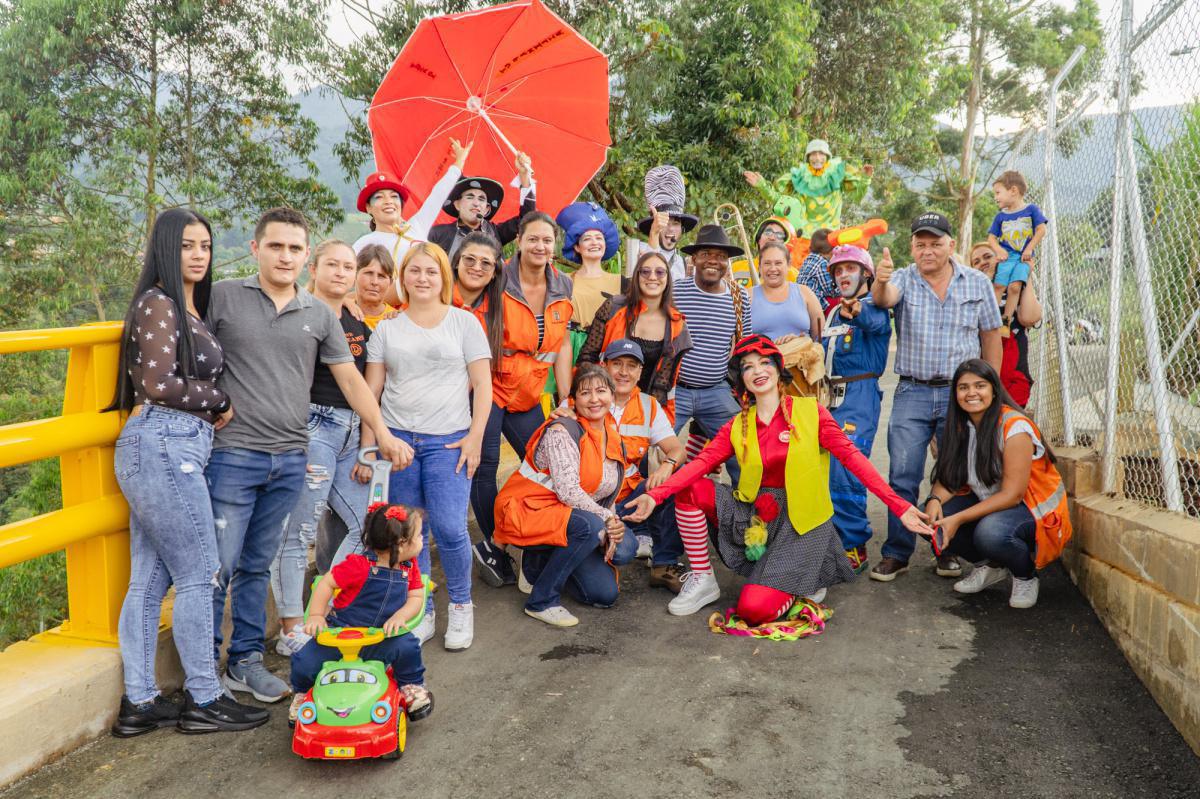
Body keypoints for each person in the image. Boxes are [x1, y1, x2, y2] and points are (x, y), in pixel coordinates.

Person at [206, 207, 410, 704]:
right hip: (234, 453)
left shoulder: (319, 314)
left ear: (304, 257)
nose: (285, 256)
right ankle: (204, 670)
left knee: (257, 561)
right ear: (255, 248)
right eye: (276, 246)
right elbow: (192, 352)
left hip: (291, 451)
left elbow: (349, 378)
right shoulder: (223, 297)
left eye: (294, 248)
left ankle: (246, 662)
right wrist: (208, 403)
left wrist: (380, 432)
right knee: (219, 565)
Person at [623, 335, 932, 618]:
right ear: (741, 379)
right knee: (691, 488)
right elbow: (699, 463)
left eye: (764, 362)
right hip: (756, 514)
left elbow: (854, 461)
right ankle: (704, 580)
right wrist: (654, 495)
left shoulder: (812, 413)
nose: (757, 370)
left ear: (777, 369)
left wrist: (900, 507)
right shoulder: (737, 425)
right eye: (747, 367)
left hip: (801, 522)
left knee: (752, 609)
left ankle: (798, 578)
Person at [108, 209, 268, 736]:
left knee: (150, 579)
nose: (199, 254)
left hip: (166, 445)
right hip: (165, 442)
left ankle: (140, 702)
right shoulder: (159, 303)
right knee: (201, 571)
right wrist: (219, 397)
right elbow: (156, 381)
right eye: (186, 246)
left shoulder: (183, 307)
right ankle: (204, 695)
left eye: (204, 246)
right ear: (164, 250)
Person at [357, 242, 492, 651]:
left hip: (449, 441)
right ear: (404, 277)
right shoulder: (387, 329)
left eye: (430, 272)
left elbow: (483, 386)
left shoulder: (464, 323)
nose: (422, 278)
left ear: (442, 278)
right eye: (414, 271)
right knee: (410, 533)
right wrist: (370, 450)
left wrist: (475, 439)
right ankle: (422, 608)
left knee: (451, 528)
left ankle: (462, 606)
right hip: (398, 443)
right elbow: (372, 392)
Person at [869, 211, 1003, 583]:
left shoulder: (976, 283)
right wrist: (879, 282)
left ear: (950, 245)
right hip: (912, 389)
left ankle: (948, 550)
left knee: (955, 474)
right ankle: (897, 552)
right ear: (912, 247)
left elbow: (992, 336)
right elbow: (883, 299)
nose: (927, 251)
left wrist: (991, 391)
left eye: (935, 243)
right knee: (903, 474)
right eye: (920, 244)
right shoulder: (902, 279)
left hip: (960, 395)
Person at [268, 240, 372, 658]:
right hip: (313, 425)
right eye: (333, 264)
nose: (342, 273)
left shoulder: (354, 315)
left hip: (350, 429)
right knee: (299, 532)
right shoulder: (298, 309)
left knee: (368, 527)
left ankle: (323, 607)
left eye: (349, 267)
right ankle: (290, 626)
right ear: (314, 266)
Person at [471, 212, 575, 587]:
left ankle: (531, 537)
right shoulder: (497, 277)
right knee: (484, 468)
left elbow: (561, 344)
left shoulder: (563, 283)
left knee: (544, 464)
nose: (540, 246)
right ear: (519, 240)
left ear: (554, 245)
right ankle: (494, 546)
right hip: (490, 384)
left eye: (547, 241)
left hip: (531, 389)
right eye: (533, 239)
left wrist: (565, 397)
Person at [494, 365, 637, 627]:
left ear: (612, 394)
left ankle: (543, 560)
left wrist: (613, 521)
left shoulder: (611, 432)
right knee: (592, 526)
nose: (594, 399)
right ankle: (542, 601)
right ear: (573, 399)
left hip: (573, 518)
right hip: (529, 509)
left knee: (618, 566)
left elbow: (607, 491)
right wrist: (607, 520)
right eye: (585, 393)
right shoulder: (563, 431)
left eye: (601, 391)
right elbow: (569, 492)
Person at [925, 360, 1072, 609]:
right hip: (992, 502)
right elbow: (949, 478)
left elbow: (1012, 495)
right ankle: (990, 566)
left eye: (979, 385)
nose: (971, 393)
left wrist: (957, 519)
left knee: (990, 533)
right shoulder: (962, 424)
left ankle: (1025, 575)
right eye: (963, 387)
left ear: (994, 389)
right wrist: (933, 501)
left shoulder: (1015, 427)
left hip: (1031, 508)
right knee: (926, 519)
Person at [554, 340, 689, 592]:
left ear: (640, 373)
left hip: (628, 498)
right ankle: (581, 553)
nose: (623, 372)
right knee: (619, 561)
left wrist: (666, 466)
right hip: (589, 502)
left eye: (631, 366)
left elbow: (676, 449)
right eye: (616, 364)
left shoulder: (648, 405)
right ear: (604, 367)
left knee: (675, 475)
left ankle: (664, 564)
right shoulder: (582, 400)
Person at [289, 502, 433, 723]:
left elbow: (416, 597)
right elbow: (326, 582)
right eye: (420, 535)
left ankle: (410, 686)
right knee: (304, 661)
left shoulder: (409, 567)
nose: (423, 539)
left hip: (383, 636)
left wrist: (400, 616)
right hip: (341, 634)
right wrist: (317, 615)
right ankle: (303, 694)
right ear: (402, 543)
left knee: (408, 646)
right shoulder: (358, 565)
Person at [820, 245, 891, 575]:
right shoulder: (832, 311)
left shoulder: (874, 306)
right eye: (837, 270)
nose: (843, 274)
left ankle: (853, 544)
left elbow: (873, 323)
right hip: (827, 397)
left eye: (850, 268)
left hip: (859, 397)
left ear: (866, 273)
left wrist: (857, 312)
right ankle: (830, 538)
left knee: (846, 468)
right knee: (822, 469)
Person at [672, 224, 753, 479]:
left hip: (716, 391)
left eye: (720, 256)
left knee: (745, 452)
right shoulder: (675, 291)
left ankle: (747, 513)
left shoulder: (739, 298)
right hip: (676, 390)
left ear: (727, 263)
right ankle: (656, 512)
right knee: (650, 452)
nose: (713, 261)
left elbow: (745, 348)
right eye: (706, 253)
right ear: (694, 258)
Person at [352, 138, 471, 305]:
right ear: (368, 208)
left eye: (394, 196)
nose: (388, 201)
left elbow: (438, 195)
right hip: (389, 314)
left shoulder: (416, 227)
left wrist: (459, 162)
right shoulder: (364, 243)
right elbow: (346, 280)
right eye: (379, 197)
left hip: (431, 305)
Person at [578, 250, 692, 420]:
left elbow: (663, 382)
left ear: (668, 278)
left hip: (643, 408)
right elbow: (586, 359)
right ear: (637, 276)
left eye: (660, 272)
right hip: (602, 403)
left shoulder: (676, 324)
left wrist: (654, 421)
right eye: (645, 271)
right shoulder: (613, 308)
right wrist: (595, 397)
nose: (652, 277)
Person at [744, 139, 873, 260]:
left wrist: (865, 179)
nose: (817, 158)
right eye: (813, 154)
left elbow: (857, 196)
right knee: (797, 276)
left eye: (821, 154)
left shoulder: (836, 177)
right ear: (808, 157)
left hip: (829, 239)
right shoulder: (801, 179)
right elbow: (782, 202)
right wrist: (762, 186)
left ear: (827, 156)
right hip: (803, 240)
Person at [969, 242, 1042, 406]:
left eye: (988, 256)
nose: (983, 263)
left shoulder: (1014, 290)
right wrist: (996, 288)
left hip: (1014, 376)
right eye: (976, 261)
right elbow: (986, 323)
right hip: (981, 375)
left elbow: (1030, 318)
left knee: (1011, 426)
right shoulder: (971, 295)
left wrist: (1024, 274)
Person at [428, 151, 537, 258]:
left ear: (487, 209)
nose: (476, 203)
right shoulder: (437, 234)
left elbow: (527, 220)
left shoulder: (495, 232)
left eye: (481, 199)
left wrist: (524, 176)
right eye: (470, 197)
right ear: (457, 204)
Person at [987, 170, 1047, 334]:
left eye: (998, 193)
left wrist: (1029, 248)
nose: (996, 197)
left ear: (1013, 190)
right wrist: (998, 250)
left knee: (1015, 287)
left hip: (1023, 258)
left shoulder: (1031, 210)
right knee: (999, 285)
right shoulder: (1000, 216)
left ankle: (1005, 322)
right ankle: (991, 321)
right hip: (1008, 256)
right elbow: (991, 238)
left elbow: (1041, 230)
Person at [558, 201, 622, 329]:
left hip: (609, 345)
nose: (594, 243)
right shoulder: (563, 281)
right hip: (573, 344)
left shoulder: (621, 282)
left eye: (599, 238)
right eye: (587, 239)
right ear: (577, 247)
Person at [751, 241, 823, 343]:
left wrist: (801, 342)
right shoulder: (748, 296)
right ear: (759, 266)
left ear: (788, 265)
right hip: (762, 358)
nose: (773, 268)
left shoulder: (805, 293)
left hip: (802, 356)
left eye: (778, 263)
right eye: (767, 263)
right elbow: (738, 341)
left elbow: (821, 338)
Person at [637, 165, 700, 282]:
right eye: (664, 222)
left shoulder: (683, 264)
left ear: (682, 228)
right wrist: (654, 233)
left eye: (676, 223)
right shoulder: (639, 252)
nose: (670, 229)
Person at [354, 244, 396, 329]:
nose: (374, 282)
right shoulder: (340, 315)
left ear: (390, 283)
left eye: (381, 276)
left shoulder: (397, 320)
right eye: (369, 273)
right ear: (355, 275)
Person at [795, 228, 838, 305]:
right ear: (831, 250)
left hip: (800, 300)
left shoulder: (809, 259)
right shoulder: (822, 263)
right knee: (840, 301)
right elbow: (830, 290)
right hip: (813, 304)